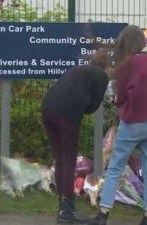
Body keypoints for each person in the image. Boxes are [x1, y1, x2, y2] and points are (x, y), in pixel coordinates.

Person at [89, 25, 147, 225]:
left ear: (125, 43)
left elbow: (120, 98)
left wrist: (119, 104)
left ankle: (103, 214)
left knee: (115, 168)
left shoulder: (126, 65)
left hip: (131, 122)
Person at [41, 50, 110, 224]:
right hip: (67, 114)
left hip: (47, 109)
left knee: (60, 158)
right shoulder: (101, 75)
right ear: (107, 66)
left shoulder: (78, 70)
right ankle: (67, 211)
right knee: (69, 160)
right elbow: (92, 107)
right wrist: (85, 101)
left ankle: (63, 206)